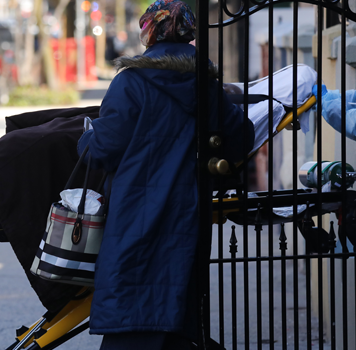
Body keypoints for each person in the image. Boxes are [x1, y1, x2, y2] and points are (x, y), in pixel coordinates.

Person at [76, 1, 255, 349]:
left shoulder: (130, 83)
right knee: (175, 301)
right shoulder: (206, 85)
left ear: (149, 33)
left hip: (135, 208)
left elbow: (102, 150)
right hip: (188, 210)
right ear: (189, 34)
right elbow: (239, 139)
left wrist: (87, 135)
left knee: (132, 302)